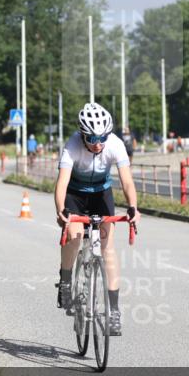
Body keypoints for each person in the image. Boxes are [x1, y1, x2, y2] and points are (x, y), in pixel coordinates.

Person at [54, 103, 140, 336]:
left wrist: (133, 207)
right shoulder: (72, 146)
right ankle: (65, 281)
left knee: (108, 247)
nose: (98, 143)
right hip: (75, 195)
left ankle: (114, 311)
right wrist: (61, 210)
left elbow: (127, 181)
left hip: (101, 194)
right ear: (82, 134)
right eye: (92, 138)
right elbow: (61, 183)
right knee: (75, 236)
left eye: (103, 137)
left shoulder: (115, 144)